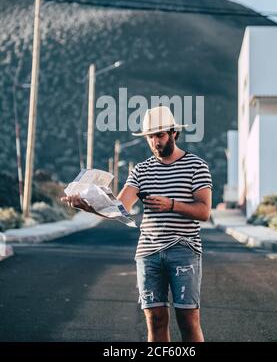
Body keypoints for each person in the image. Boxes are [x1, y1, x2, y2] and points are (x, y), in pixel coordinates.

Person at [63, 105, 212, 342]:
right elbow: (120, 208)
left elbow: (204, 211)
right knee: (156, 321)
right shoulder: (141, 171)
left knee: (188, 320)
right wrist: (87, 206)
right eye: (150, 137)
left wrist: (171, 204)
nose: (155, 142)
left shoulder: (196, 165)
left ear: (174, 133)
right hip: (148, 253)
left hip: (184, 250)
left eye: (160, 135)